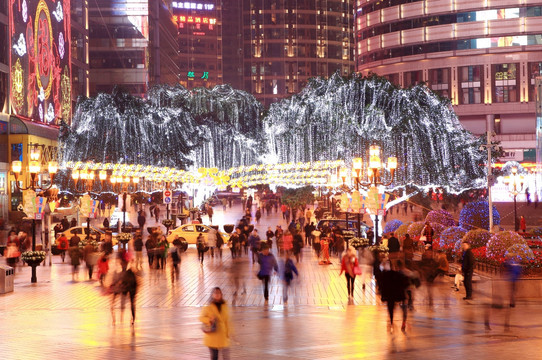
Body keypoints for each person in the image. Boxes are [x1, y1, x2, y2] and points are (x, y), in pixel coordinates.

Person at [199, 287, 232, 360]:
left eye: (219, 293)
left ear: (221, 294)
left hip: (223, 335)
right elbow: (201, 317)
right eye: (215, 293)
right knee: (214, 357)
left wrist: (228, 332)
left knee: (226, 357)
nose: (217, 295)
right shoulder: (208, 306)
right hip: (212, 336)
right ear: (212, 295)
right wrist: (209, 320)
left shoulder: (224, 305)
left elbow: (227, 320)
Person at [380, 260, 410, 333]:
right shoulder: (401, 274)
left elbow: (382, 285)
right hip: (400, 294)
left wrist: (383, 295)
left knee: (391, 308)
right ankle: (403, 321)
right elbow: (406, 283)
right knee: (404, 307)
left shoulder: (385, 274)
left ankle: (391, 321)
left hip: (390, 294)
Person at [110, 255, 138, 325]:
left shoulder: (130, 272)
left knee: (131, 303)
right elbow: (119, 279)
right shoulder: (123, 272)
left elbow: (132, 281)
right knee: (127, 303)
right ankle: (118, 318)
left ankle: (132, 318)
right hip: (127, 288)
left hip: (131, 288)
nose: (122, 265)